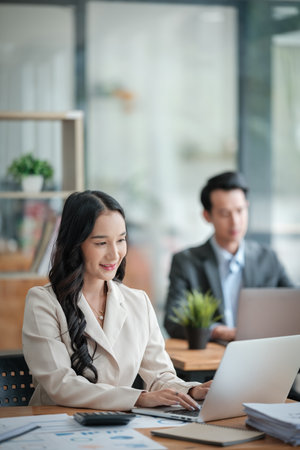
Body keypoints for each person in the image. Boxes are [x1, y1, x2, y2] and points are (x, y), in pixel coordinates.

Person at [22, 190, 211, 410]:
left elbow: (160, 376)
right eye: (101, 243)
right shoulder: (43, 302)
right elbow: (61, 385)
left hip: (117, 425)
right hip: (57, 426)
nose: (115, 254)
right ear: (76, 245)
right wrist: (137, 398)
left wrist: (191, 390)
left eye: (121, 240)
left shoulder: (138, 302)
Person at [164, 171, 294, 342]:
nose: (235, 221)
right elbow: (173, 319)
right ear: (207, 216)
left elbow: (294, 303)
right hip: (209, 360)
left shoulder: (267, 257)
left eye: (240, 211)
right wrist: (217, 331)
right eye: (225, 213)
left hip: (262, 354)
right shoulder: (186, 262)